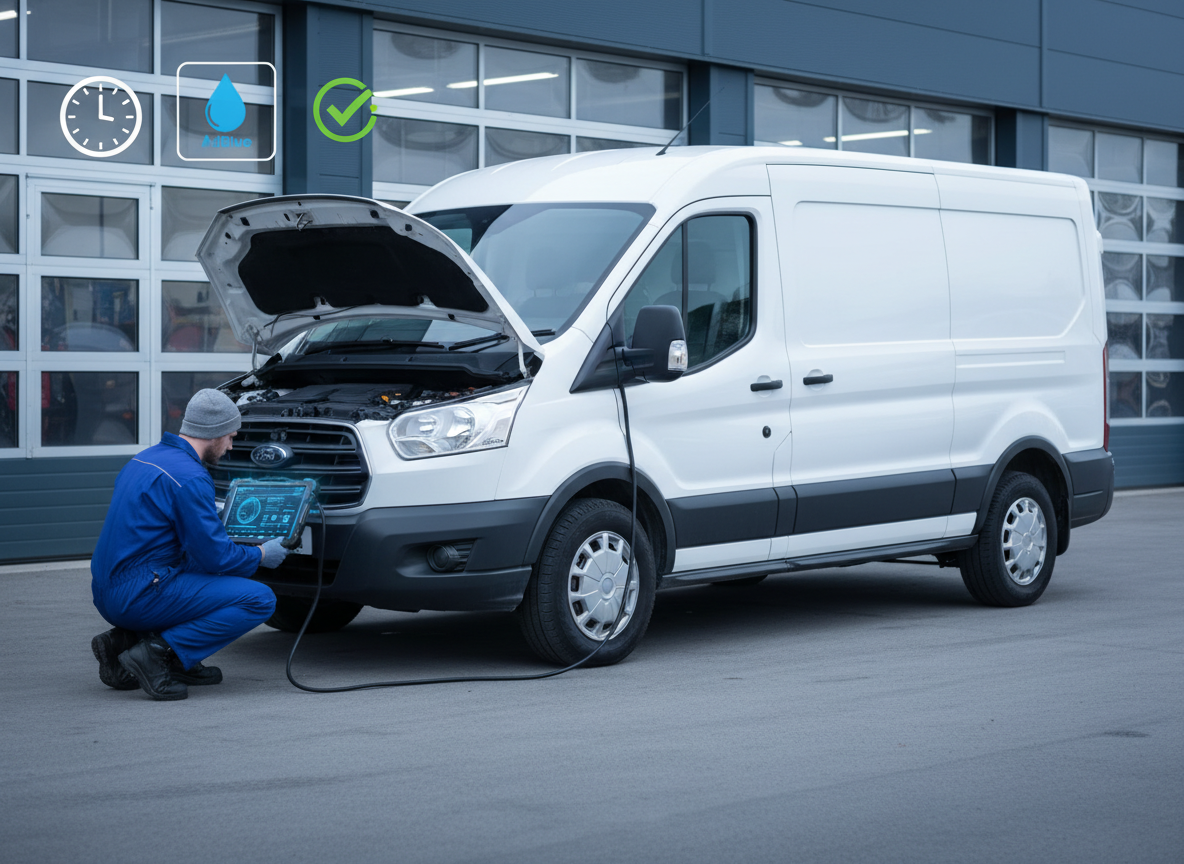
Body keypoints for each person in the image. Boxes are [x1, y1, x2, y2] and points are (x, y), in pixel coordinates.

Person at [89, 389, 289, 701]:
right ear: (216, 433)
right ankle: (155, 654)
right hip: (136, 594)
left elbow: (163, 526)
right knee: (259, 600)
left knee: (201, 571)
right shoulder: (192, 477)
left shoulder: (147, 458)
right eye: (231, 437)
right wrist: (262, 553)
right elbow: (217, 558)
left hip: (107, 588)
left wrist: (214, 515)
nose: (231, 446)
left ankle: (129, 643)